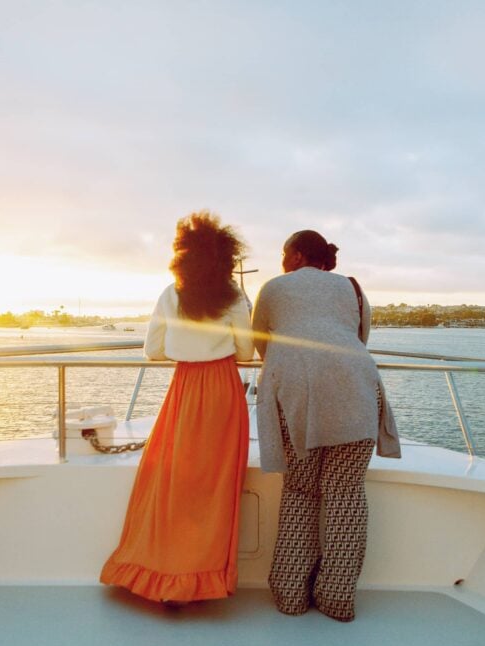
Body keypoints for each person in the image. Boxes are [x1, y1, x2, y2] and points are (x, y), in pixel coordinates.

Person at [99, 211, 253, 603]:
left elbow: (153, 350)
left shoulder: (171, 293)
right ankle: (202, 578)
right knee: (215, 485)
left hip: (184, 388)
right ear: (224, 257)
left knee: (174, 481)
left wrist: (185, 349)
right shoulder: (234, 296)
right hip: (222, 388)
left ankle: (163, 572)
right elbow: (247, 350)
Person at [251, 229, 400, 622]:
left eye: (285, 253)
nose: (283, 260)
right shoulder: (352, 288)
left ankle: (290, 595)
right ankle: (337, 597)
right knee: (346, 493)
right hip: (356, 390)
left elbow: (259, 342)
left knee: (300, 490)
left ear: (297, 255)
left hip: (296, 392)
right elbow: (360, 337)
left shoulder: (274, 287)